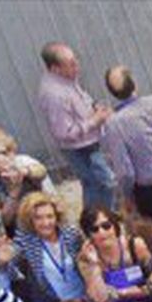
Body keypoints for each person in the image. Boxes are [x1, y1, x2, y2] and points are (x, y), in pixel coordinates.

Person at [36, 41, 117, 209]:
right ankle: (98, 217)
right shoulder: (55, 95)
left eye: (75, 61)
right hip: (79, 148)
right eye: (71, 64)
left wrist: (94, 107)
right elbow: (63, 132)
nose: (77, 67)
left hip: (89, 142)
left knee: (101, 182)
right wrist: (95, 120)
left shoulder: (67, 80)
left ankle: (103, 215)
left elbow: (80, 101)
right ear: (55, 68)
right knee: (100, 183)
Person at [99, 65, 152, 220]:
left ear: (111, 93)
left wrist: (127, 196)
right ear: (134, 82)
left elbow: (125, 171)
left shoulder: (114, 124)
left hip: (151, 191)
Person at [11, 192, 87, 302]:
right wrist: (3, 262)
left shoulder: (71, 234)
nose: (45, 223)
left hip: (83, 299)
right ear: (30, 220)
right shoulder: (26, 241)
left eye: (50, 216)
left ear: (57, 217)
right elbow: (11, 271)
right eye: (38, 218)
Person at [77, 206, 152, 302]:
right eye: (94, 229)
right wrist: (94, 265)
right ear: (89, 235)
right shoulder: (85, 260)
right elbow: (101, 300)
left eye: (106, 226)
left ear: (115, 226)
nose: (102, 232)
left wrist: (126, 292)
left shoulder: (134, 246)